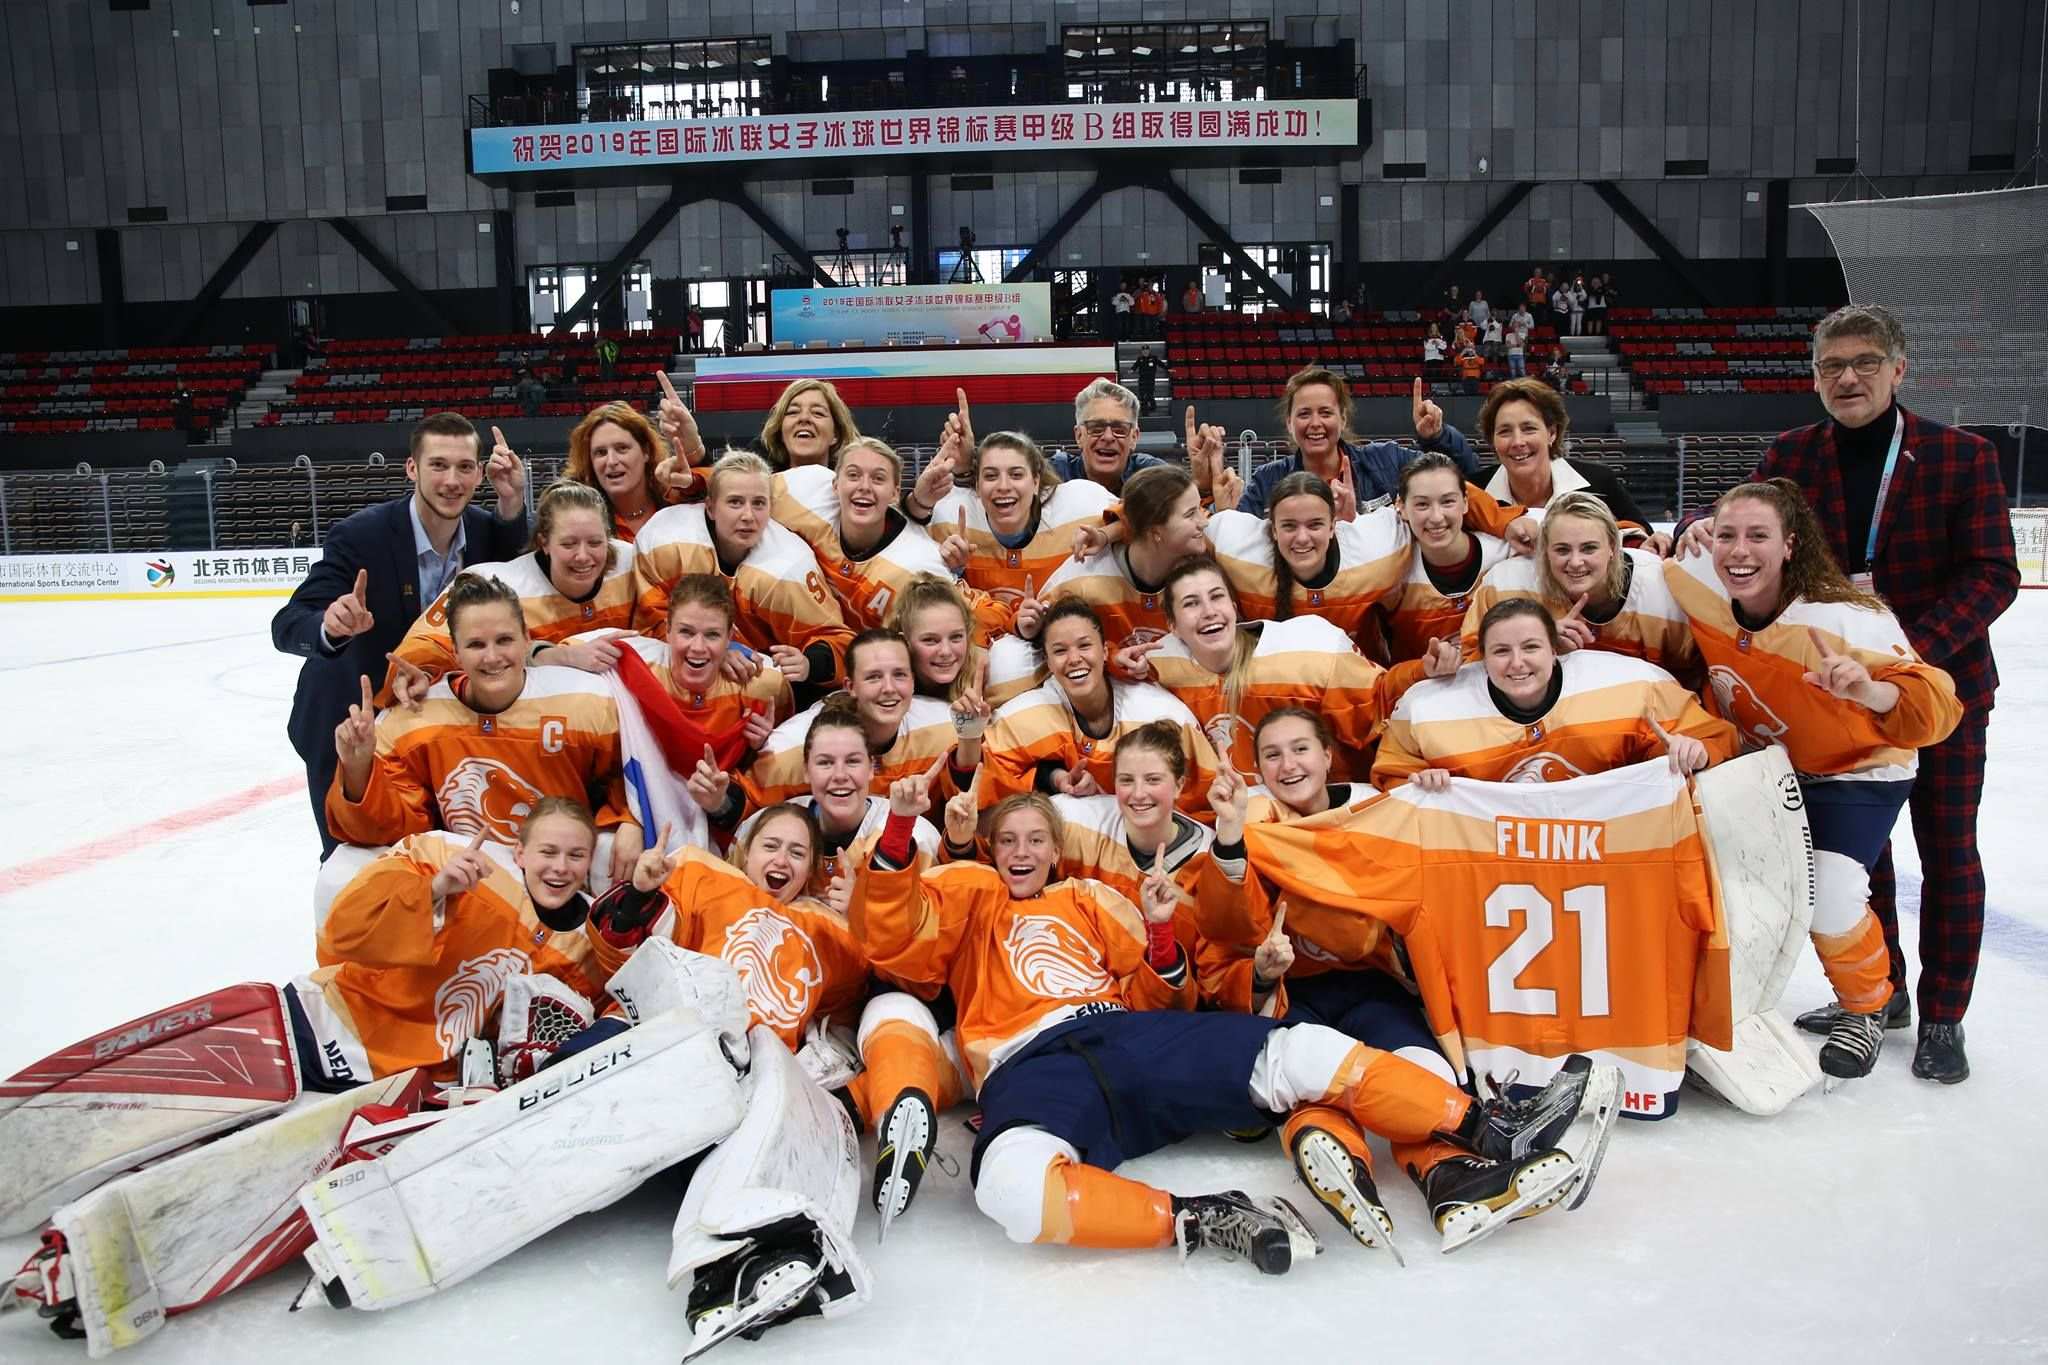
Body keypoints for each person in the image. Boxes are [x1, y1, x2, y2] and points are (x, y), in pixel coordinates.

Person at [851, 787, 1620, 1267]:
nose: (1021, 850)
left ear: (1055, 848)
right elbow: (893, 931)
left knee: (1305, 1051)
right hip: (1031, 1067)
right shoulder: (972, 895)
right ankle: (1197, 1219)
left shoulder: (1089, 897)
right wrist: (902, 832)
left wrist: (1157, 938)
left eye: (1035, 838)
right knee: (1008, 1189)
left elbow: (1159, 998)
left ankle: (1486, 1128)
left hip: (1126, 1035)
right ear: (990, 848)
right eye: (1008, 839)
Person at [1672, 303, 2019, 1084]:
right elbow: (1747, 517)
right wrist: (1697, 522)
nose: (1848, 377)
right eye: (1832, 366)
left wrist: (1898, 659)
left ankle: (1944, 1014)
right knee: (1868, 862)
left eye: (1865, 362)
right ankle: (1884, 993)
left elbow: (1993, 573)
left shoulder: (1962, 457)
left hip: (1936, 690)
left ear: (1899, 370)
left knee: (1949, 851)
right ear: (1815, 376)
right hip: (1835, 702)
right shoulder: (1794, 452)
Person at [1666, 479, 1962, 1078]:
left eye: (1758, 537)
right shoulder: (1694, 580)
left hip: (1857, 770)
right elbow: (1624, 550)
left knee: (1830, 891)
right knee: (1714, 881)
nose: (1739, 551)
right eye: (1726, 534)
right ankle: (1727, 1003)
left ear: (1791, 545)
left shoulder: (1846, 620)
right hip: (1767, 766)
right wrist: (1671, 528)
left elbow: (1937, 709)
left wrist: (1869, 689)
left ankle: (1868, 1005)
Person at [272, 412, 529, 856]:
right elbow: (289, 622)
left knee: (432, 856)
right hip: (349, 720)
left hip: (432, 726)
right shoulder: (361, 537)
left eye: (465, 467)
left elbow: (519, 572)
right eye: (438, 465)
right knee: (353, 855)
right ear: (412, 468)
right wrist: (330, 626)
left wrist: (513, 502)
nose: (452, 480)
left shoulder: (489, 531)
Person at [326, 572, 642, 886]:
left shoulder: (585, 702)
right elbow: (390, 829)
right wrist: (357, 769)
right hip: (472, 888)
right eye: (476, 644)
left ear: (527, 639)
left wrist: (630, 819)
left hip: (566, 878)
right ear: (455, 653)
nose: (492, 657)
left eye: (504, 640)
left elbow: (631, 779)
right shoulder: (414, 719)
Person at [1374, 598, 1736, 790]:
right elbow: (1393, 772)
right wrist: (1417, 782)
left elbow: (1712, 737)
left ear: (1554, 649)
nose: (1517, 663)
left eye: (1531, 647)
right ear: (1481, 658)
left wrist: (1696, 750)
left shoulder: (1631, 685)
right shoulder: (1429, 707)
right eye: (1501, 651)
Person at [1145, 556, 1428, 781]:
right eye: (1191, 603)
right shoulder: (1159, 666)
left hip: (1325, 810)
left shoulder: (1306, 649)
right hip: (1241, 823)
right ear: (1172, 626)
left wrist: (1423, 671)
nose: (1209, 611)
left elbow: (1378, 699)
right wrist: (1119, 665)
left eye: (1216, 597)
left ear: (1233, 607)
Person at [384, 480, 636, 697]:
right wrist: (419, 673)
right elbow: (426, 642)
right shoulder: (495, 584)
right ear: (543, 542)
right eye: (568, 544)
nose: (583, 556)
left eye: (595, 542)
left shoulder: (634, 561)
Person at [633, 450, 854, 695]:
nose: (748, 516)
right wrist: (713, 649)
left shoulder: (788, 567)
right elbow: (648, 622)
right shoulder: (666, 539)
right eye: (735, 502)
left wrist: (809, 663)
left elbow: (840, 641)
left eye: (758, 503)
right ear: (710, 508)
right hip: (678, 667)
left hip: (753, 683)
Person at [978, 598, 1218, 816]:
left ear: (1105, 651)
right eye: (1060, 651)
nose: (1074, 659)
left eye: (1084, 646)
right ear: (1048, 662)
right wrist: (1051, 778)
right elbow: (980, 781)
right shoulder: (1030, 714)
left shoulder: (1162, 713)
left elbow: (1207, 803)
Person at [773, 435, 1006, 640]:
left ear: (895, 493)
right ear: (835, 485)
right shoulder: (802, 489)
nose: (864, 486)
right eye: (853, 475)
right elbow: (743, 488)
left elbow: (988, 613)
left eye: (878, 478)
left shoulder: (919, 563)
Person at [1462, 490, 1696, 677]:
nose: (1575, 562)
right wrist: (1535, 644)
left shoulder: (1662, 589)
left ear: (1613, 547)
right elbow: (1470, 662)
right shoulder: (1505, 585)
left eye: (1589, 548)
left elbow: (1696, 677)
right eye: (1562, 549)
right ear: (1544, 551)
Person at [931, 426, 1114, 629]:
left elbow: (1145, 516)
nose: (1003, 486)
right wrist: (952, 570)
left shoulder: (1079, 505)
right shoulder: (948, 516)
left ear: (1036, 481)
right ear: (977, 483)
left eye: (1016, 475)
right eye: (991, 476)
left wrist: (1107, 534)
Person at [1234, 369, 1477, 517]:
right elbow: (1236, 543)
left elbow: (1464, 472)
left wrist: (1437, 436)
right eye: (1304, 414)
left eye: (1326, 413)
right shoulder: (1266, 481)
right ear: (1289, 423)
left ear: (1343, 418)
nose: (1315, 423)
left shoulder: (1387, 461)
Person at [1466, 376, 1663, 553]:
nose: (1518, 442)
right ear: (1492, 440)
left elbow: (1644, 539)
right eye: (1505, 431)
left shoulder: (1599, 482)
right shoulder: (1473, 492)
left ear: (1552, 433)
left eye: (1529, 429)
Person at [1375, 452, 1511, 664]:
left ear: (1466, 502)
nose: (1437, 517)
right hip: (1419, 688)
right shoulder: (1388, 571)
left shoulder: (1506, 554)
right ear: (1401, 507)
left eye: (1448, 501)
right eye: (1422, 504)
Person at [563, 400, 675, 543]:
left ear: (646, 451)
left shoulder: (676, 503)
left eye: (622, 448)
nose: (611, 461)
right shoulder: (574, 519)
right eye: (601, 452)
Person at [1048, 378, 1170, 492]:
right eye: (1096, 428)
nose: (1108, 437)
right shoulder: (1054, 474)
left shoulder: (1154, 477)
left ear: (1134, 437)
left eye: (1119, 429)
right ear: (1079, 436)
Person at [1133, 347, 1161, 415]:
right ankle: (1144, 410)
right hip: (1142, 380)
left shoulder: (1154, 358)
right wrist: (1132, 370)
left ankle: (1153, 406)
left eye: (1146, 351)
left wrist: (1167, 368)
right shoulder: (1140, 359)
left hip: (1150, 380)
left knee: (1149, 394)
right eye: (1144, 351)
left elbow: (1161, 364)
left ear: (1149, 351)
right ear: (1142, 352)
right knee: (1142, 395)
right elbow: (1135, 365)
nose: (1145, 352)